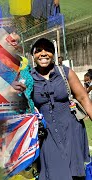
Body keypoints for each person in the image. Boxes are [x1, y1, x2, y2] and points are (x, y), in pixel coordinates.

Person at [12, 38, 92, 179]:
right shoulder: (29, 78)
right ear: (33, 55)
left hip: (72, 132)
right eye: (39, 50)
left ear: (53, 54)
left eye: (48, 50)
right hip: (47, 136)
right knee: (54, 174)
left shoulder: (65, 72)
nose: (43, 53)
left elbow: (83, 98)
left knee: (76, 174)